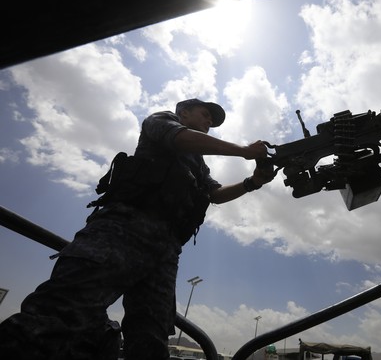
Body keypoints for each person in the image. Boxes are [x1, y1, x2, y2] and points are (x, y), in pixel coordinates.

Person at [0, 98, 276, 360]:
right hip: (122, 230)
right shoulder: (162, 121)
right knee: (60, 314)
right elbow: (181, 139)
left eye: (212, 121)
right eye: (205, 115)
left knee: (151, 337)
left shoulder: (198, 163)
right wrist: (244, 151)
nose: (209, 122)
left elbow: (215, 194)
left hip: (165, 251)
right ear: (183, 113)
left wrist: (253, 181)